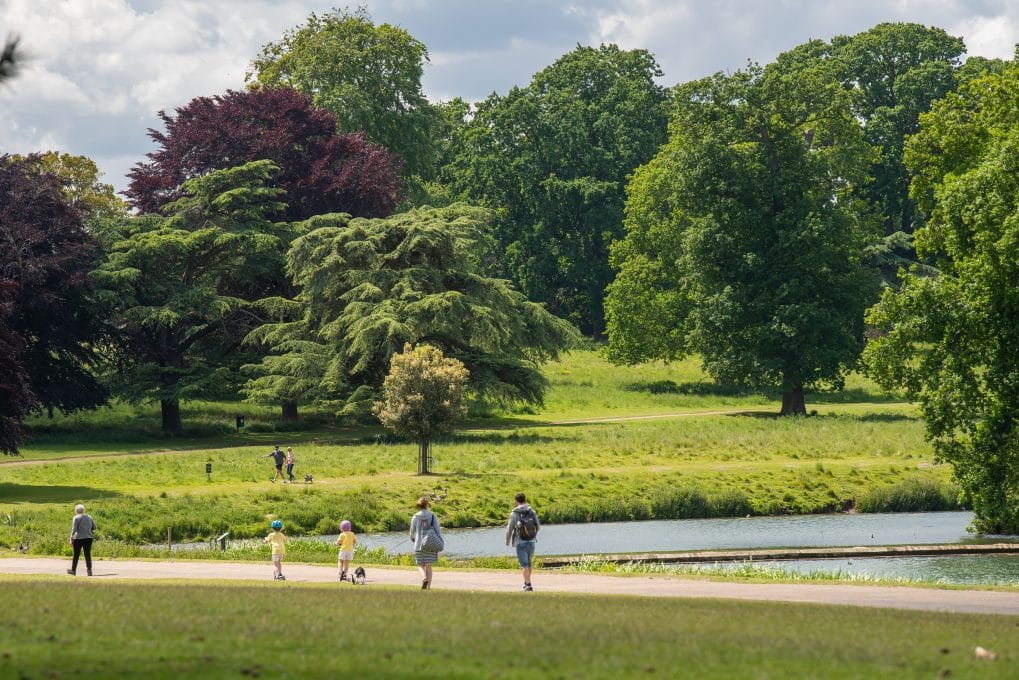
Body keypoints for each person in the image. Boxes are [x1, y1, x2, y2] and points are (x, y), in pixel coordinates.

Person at [505, 492, 540, 591]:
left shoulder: (514, 513)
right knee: (529, 563)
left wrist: (507, 540)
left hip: (520, 542)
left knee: (524, 564)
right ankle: (527, 583)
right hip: (531, 541)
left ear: (516, 501)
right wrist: (532, 535)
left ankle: (528, 585)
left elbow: (509, 529)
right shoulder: (532, 511)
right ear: (525, 500)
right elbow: (538, 526)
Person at [410, 497, 443, 589]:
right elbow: (437, 530)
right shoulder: (432, 516)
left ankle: (424, 578)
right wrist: (440, 540)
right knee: (428, 565)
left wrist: (413, 539)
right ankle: (428, 587)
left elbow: (412, 532)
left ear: (418, 506)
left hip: (419, 544)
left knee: (420, 564)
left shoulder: (415, 517)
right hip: (430, 543)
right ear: (427, 505)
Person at [67, 504, 97, 576]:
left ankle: (73, 570)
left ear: (76, 511)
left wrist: (71, 538)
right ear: (83, 510)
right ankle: (89, 571)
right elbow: (94, 527)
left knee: (76, 555)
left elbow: (74, 529)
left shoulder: (76, 518)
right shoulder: (89, 517)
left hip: (78, 538)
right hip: (89, 538)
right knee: (87, 554)